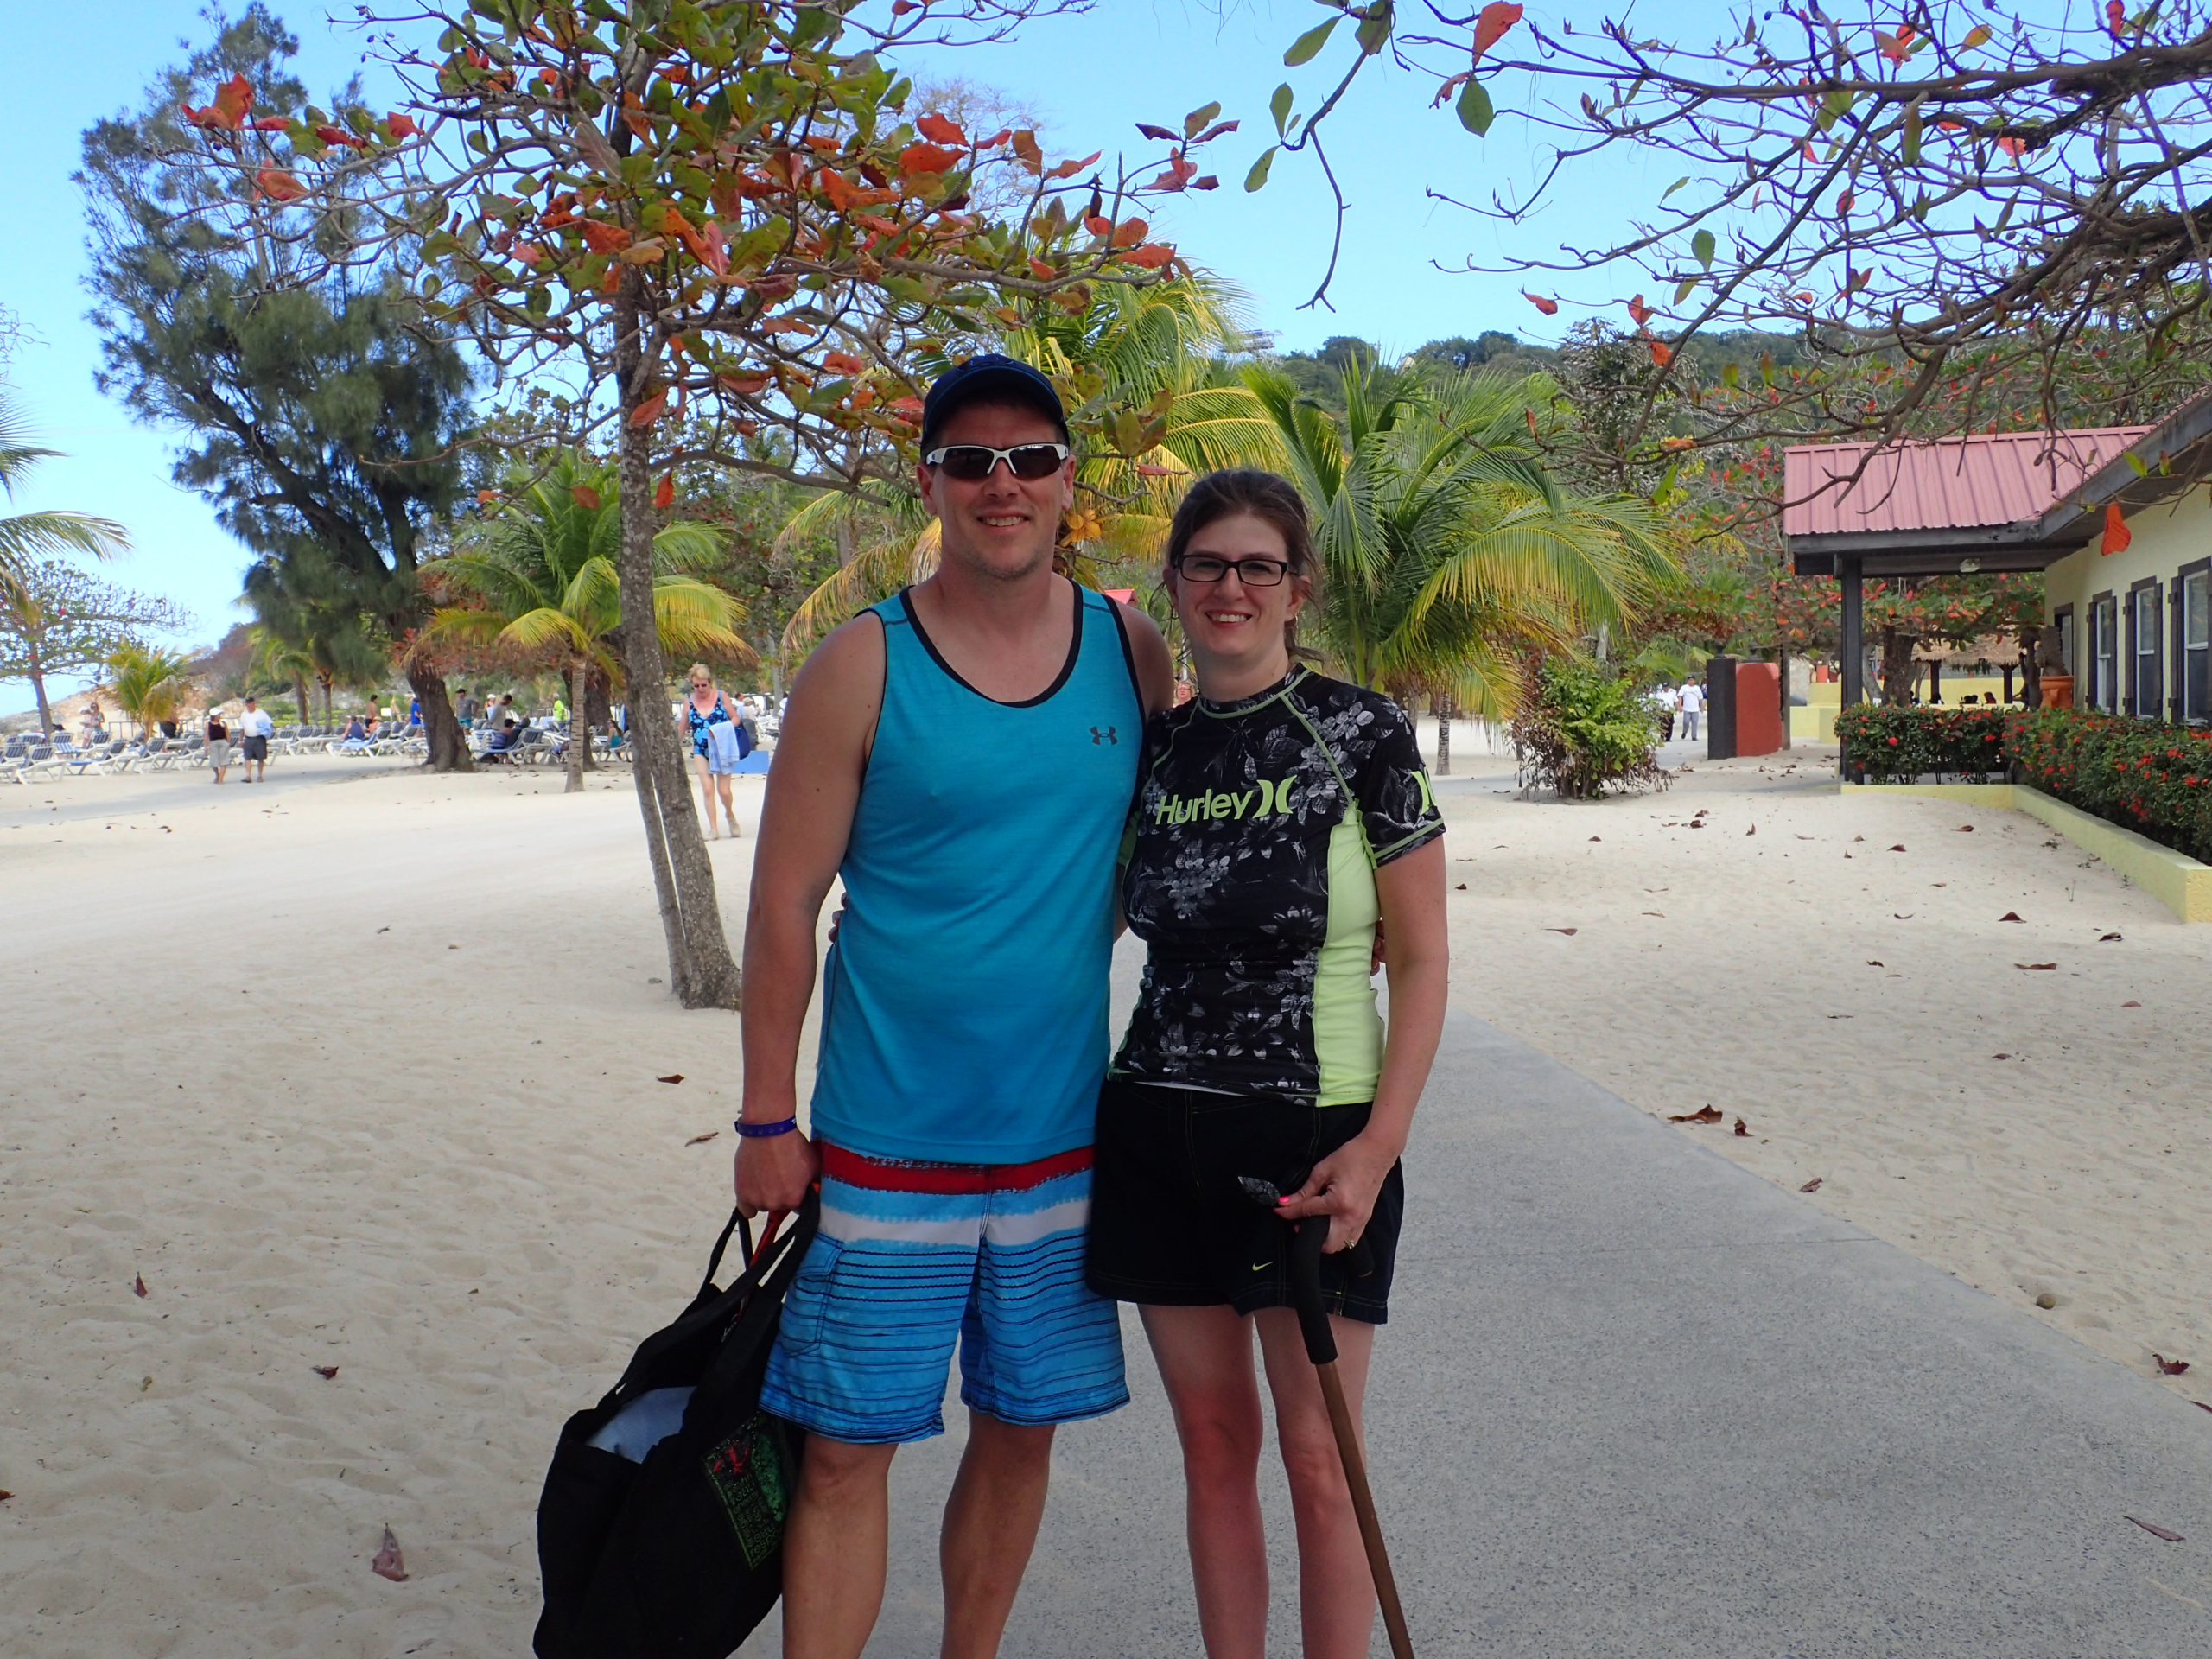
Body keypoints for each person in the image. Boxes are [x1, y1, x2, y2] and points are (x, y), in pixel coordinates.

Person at [735, 353, 1174, 1659]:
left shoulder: (1129, 649)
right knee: (839, 1454)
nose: (1003, 483)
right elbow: (778, 910)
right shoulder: (861, 664)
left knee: (1021, 1426)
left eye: (1030, 458)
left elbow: (1192, 834)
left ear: (1067, 482)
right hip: (884, 1146)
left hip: (1058, 1142)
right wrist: (767, 1116)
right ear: (928, 480)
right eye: (972, 460)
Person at [1084, 470, 1449, 1659]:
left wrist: (1377, 1146)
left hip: (1313, 1140)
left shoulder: (1360, 732)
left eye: (1258, 568)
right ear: (1177, 587)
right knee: (1213, 1447)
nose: (1230, 588)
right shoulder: (1158, 748)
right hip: (1153, 1133)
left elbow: (1427, 964)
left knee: (1317, 1457)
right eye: (1207, 565)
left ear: (1298, 589)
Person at [682, 664, 744, 839]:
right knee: (708, 789)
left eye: (704, 685)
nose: (701, 689)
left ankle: (730, 815)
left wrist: (723, 728)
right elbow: (683, 727)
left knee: (724, 791)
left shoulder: (721, 696)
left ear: (710, 683)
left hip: (721, 747)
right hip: (700, 748)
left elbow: (736, 718)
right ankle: (714, 829)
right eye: (696, 686)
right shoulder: (689, 702)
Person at [238, 696, 273, 783]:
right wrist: (241, 740)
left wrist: (266, 734)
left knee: (260, 758)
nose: (248, 705)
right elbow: (242, 728)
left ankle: (260, 775)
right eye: (247, 704)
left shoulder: (261, 713)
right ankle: (248, 776)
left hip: (259, 737)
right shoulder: (244, 714)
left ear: (253, 704)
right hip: (248, 737)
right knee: (247, 757)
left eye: (250, 703)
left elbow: (269, 724)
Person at [204, 706, 232, 784]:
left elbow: (227, 733)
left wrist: (228, 742)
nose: (219, 716)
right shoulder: (208, 724)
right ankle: (218, 774)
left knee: (223, 761)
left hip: (223, 742)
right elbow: (206, 735)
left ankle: (221, 779)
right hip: (213, 743)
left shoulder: (223, 724)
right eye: (218, 715)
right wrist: (206, 746)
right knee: (214, 762)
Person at [1678, 676, 1705, 741]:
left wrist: (1701, 707)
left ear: (1694, 681)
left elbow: (1700, 699)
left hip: (1695, 709)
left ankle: (1694, 736)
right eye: (1689, 680)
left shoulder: (1697, 688)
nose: (1691, 681)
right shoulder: (1684, 688)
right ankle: (1684, 732)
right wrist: (1680, 706)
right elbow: (1680, 697)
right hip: (1687, 709)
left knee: (1695, 723)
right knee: (1686, 722)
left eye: (1692, 680)